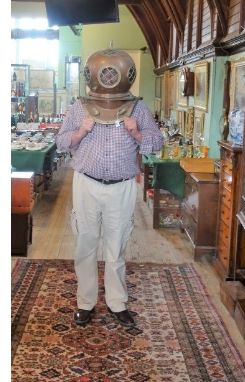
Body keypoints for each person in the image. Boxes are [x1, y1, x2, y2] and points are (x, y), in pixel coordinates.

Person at [56, 49, 163, 327]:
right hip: (86, 183)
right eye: (104, 73)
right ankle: (85, 302)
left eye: (111, 73)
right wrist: (80, 132)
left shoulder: (137, 108)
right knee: (85, 243)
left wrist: (137, 134)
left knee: (116, 246)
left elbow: (157, 142)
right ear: (93, 76)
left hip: (122, 186)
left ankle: (117, 303)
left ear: (124, 76)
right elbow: (61, 142)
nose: (108, 77)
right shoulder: (79, 107)